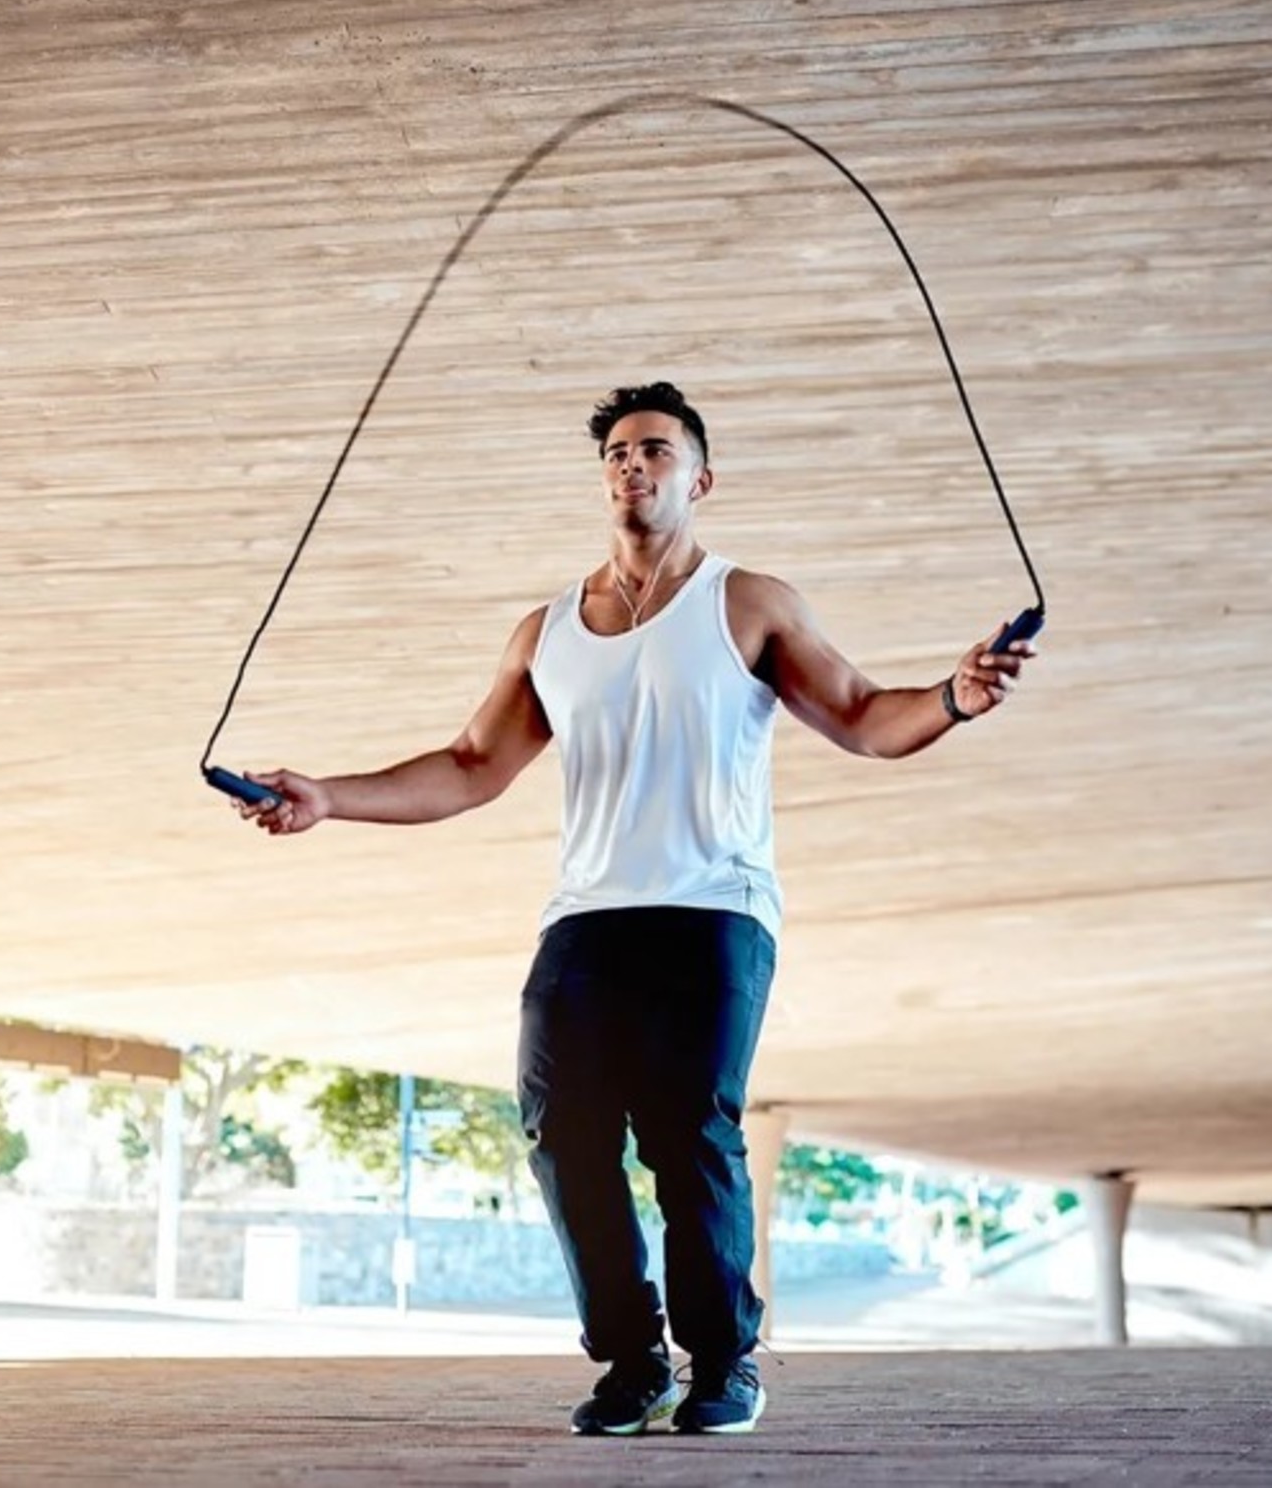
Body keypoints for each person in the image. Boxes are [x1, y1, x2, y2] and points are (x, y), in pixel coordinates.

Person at [234, 382, 1034, 1435]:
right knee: (561, 1131)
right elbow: (473, 765)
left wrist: (949, 698)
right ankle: (629, 1361)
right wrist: (329, 798)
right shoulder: (547, 630)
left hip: (713, 908)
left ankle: (722, 1367)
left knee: (686, 1137)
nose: (632, 464)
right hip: (586, 919)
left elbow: (857, 715)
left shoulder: (747, 603)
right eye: (616, 452)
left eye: (655, 449)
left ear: (697, 480)